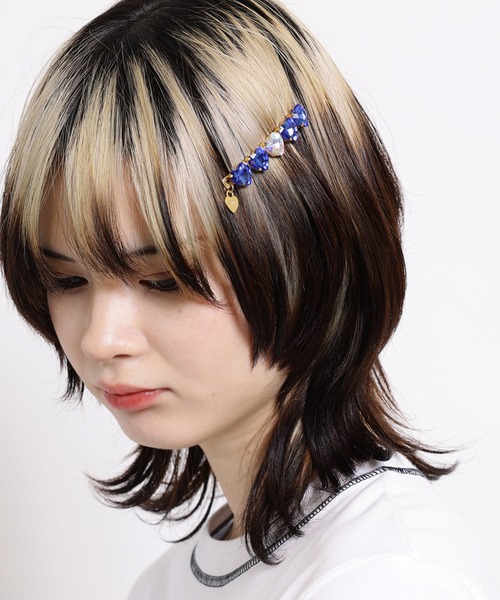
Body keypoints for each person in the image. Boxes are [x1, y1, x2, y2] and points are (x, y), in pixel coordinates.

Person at [0, 0, 496, 598]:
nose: (100, 340)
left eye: (163, 280)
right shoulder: (166, 584)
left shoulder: (387, 578)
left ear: (306, 244)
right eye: (68, 280)